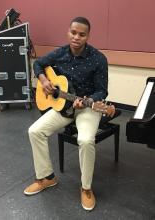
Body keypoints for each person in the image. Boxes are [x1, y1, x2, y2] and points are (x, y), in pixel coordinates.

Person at [24, 16, 108, 211]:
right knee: (35, 131)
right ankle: (47, 178)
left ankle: (86, 188)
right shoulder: (60, 53)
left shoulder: (98, 59)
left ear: (88, 36)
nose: (76, 37)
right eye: (73, 32)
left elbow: (102, 91)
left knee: (86, 140)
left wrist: (86, 100)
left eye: (82, 34)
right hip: (62, 107)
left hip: (86, 107)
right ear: (68, 32)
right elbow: (38, 65)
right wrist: (44, 80)